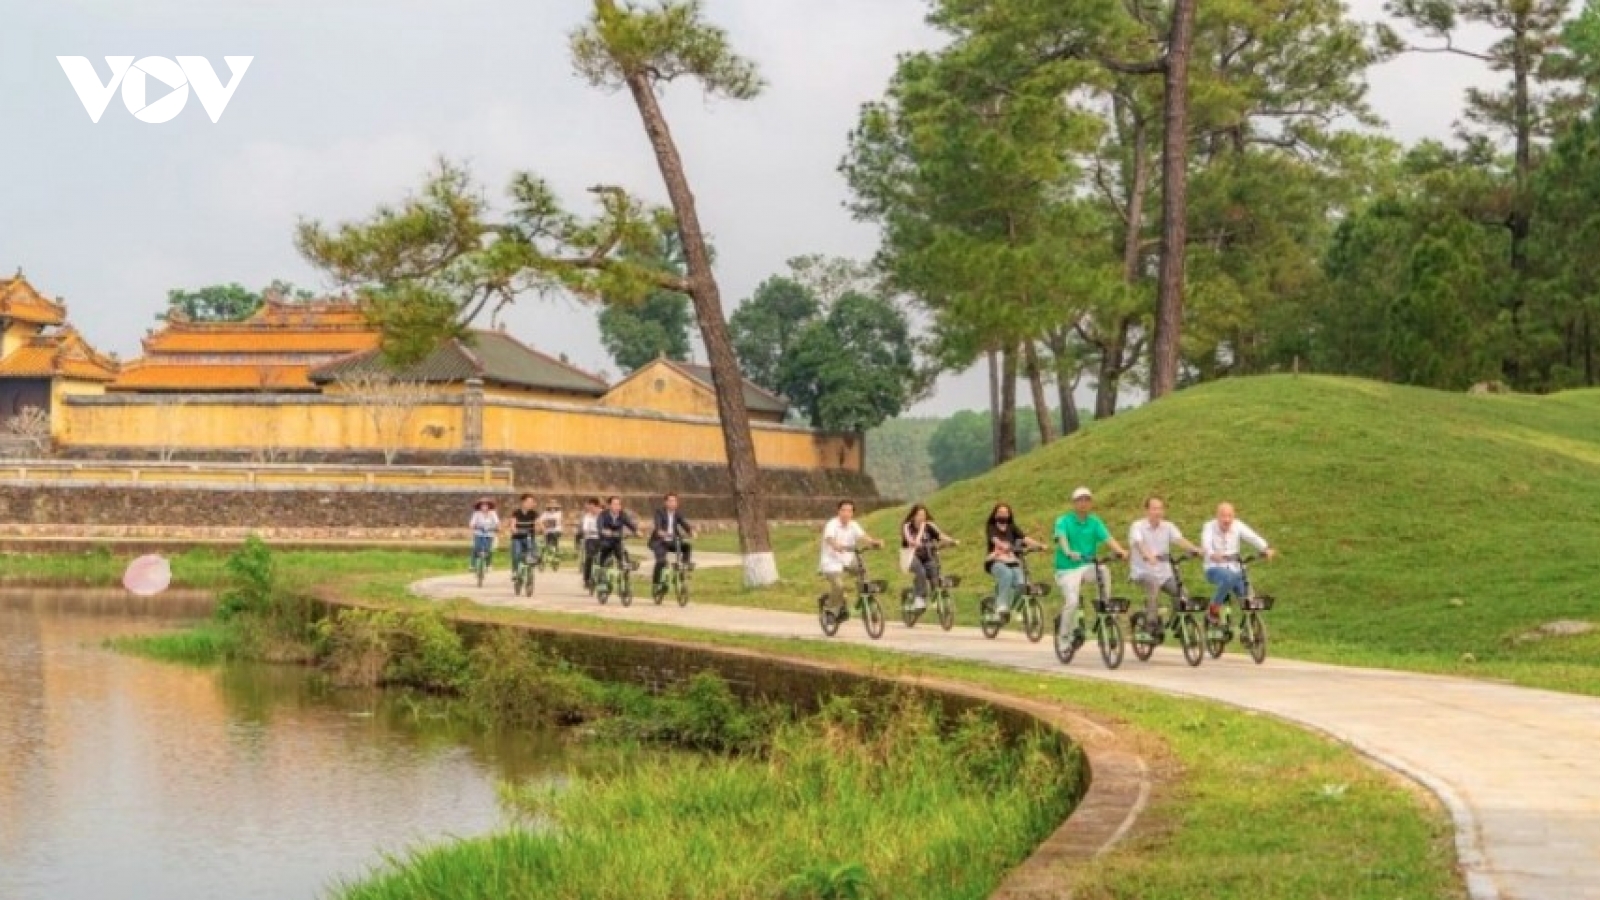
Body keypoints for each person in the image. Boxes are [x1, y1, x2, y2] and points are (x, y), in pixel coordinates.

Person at [1053, 487, 1127, 640]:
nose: (1084, 503)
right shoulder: (1063, 521)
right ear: (1074, 503)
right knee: (1072, 602)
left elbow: (1108, 538)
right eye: (1080, 500)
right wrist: (1068, 552)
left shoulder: (1094, 522)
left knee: (1103, 570)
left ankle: (1105, 606)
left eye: (1087, 500)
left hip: (1086, 566)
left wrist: (1121, 551)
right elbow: (1062, 538)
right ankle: (1063, 636)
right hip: (1067, 569)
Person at [1128, 496, 1201, 636]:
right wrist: (1148, 555)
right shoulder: (1137, 526)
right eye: (1154, 508)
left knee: (1183, 593)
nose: (1158, 512)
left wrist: (1195, 549)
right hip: (1143, 572)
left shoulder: (1168, 526)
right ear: (1147, 510)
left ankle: (1176, 623)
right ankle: (1151, 624)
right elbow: (1139, 543)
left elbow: (1179, 539)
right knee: (1153, 585)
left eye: (1160, 508)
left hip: (1164, 573)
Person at [1200, 502, 1275, 621]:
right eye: (1223, 516)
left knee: (1248, 597)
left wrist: (1266, 548)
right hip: (1214, 568)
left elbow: (1252, 537)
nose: (1227, 520)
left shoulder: (1238, 525)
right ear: (1217, 516)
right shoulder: (1209, 526)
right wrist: (1212, 554)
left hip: (1235, 567)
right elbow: (1206, 543)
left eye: (1230, 516)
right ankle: (1213, 609)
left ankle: (1251, 628)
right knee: (1229, 578)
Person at [818, 500, 882, 617]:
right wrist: (835, 545)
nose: (846, 513)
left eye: (849, 511)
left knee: (863, 572)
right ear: (838, 511)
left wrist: (874, 542)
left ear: (852, 513)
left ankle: (864, 601)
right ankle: (831, 610)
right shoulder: (832, 524)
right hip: (831, 561)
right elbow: (829, 538)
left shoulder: (853, 525)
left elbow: (863, 536)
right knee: (839, 586)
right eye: (843, 510)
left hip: (847, 558)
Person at [984, 503, 1044, 617]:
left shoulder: (1012, 527)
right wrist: (1003, 546)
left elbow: (1025, 538)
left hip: (1012, 561)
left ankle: (1015, 609)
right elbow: (994, 539)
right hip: (995, 561)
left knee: (1022, 583)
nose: (1003, 514)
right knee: (1007, 574)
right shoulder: (991, 527)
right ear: (995, 514)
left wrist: (1039, 545)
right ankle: (1001, 605)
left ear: (1009, 514)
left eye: (1005, 512)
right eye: (1000, 512)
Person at [900, 504, 955, 612]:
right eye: (919, 515)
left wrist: (951, 541)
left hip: (927, 555)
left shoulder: (929, 526)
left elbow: (940, 535)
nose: (922, 517)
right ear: (913, 516)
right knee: (921, 571)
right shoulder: (907, 526)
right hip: (911, 556)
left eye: (923, 515)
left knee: (934, 570)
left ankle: (935, 598)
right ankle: (919, 598)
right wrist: (919, 535)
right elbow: (912, 541)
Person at [650, 492, 696, 592]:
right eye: (670, 501)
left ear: (677, 503)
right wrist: (662, 532)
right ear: (665, 502)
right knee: (661, 562)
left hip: (673, 541)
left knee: (687, 546)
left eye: (674, 501)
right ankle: (656, 583)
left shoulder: (677, 513)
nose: (672, 503)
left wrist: (691, 532)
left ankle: (683, 570)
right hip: (659, 542)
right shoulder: (659, 512)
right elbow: (657, 526)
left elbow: (684, 524)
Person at [593, 496, 639, 576]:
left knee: (623, 553)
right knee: (604, 552)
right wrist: (604, 531)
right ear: (609, 505)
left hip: (617, 541)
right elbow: (599, 526)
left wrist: (636, 531)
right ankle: (601, 574)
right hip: (605, 541)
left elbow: (630, 524)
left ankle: (625, 573)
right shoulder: (603, 514)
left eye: (619, 504)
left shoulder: (622, 514)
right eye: (615, 504)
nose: (617, 506)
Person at [509, 494, 541, 575]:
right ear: (522, 502)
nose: (530, 504)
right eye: (528, 502)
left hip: (529, 537)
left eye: (532, 502)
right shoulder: (516, 513)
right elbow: (513, 524)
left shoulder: (534, 513)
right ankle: (515, 571)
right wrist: (514, 529)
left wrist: (538, 528)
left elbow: (537, 523)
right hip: (517, 538)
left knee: (534, 554)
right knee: (516, 555)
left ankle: (530, 573)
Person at [469, 498, 499, 570]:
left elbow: (497, 522)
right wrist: (473, 526)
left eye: (486, 505)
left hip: (489, 533)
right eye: (482, 505)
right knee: (475, 548)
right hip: (478, 533)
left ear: (489, 506)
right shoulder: (476, 513)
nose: (484, 507)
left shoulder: (492, 513)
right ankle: (472, 565)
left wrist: (497, 527)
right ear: (480, 506)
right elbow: (472, 523)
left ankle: (489, 564)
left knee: (488, 549)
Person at [579, 497, 602, 589]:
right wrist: (587, 531)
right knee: (589, 557)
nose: (591, 509)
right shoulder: (587, 516)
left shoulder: (603, 515)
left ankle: (602, 577)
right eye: (589, 507)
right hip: (590, 539)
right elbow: (585, 528)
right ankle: (587, 579)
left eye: (592, 507)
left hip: (601, 539)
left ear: (597, 507)